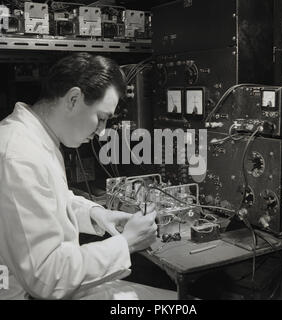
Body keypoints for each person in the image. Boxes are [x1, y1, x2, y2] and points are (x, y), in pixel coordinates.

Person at [0, 53, 176, 300]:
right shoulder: (20, 155)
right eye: (101, 118)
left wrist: (96, 214)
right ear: (73, 98)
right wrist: (126, 243)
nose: (102, 132)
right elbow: (47, 277)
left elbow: (45, 199)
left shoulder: (34, 137)